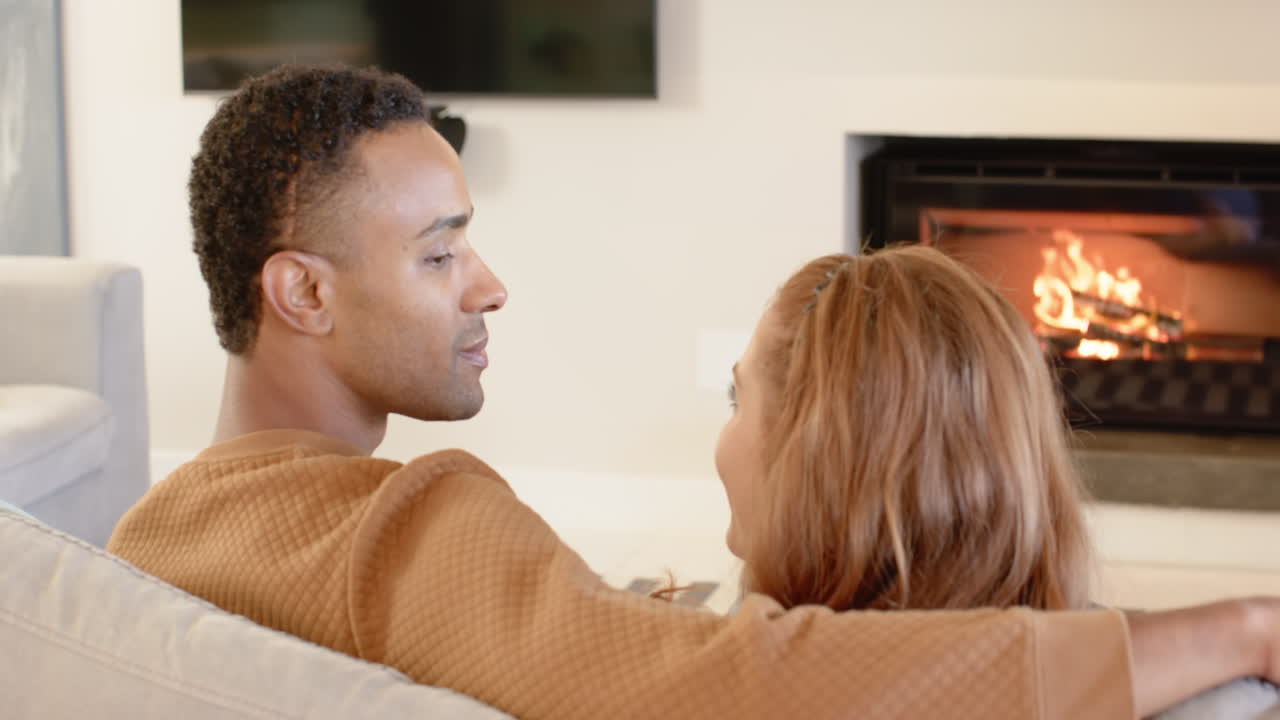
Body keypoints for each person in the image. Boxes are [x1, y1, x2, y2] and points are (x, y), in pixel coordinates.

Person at [106, 64, 1279, 720]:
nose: (490, 286)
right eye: (438, 254)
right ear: (301, 294)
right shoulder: (407, 526)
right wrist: (1232, 628)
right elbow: (730, 685)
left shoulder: (139, 547)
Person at [714, 246, 1279, 717]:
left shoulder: (702, 682)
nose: (725, 430)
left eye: (739, 399)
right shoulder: (1202, 687)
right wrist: (1245, 630)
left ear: (814, 461)